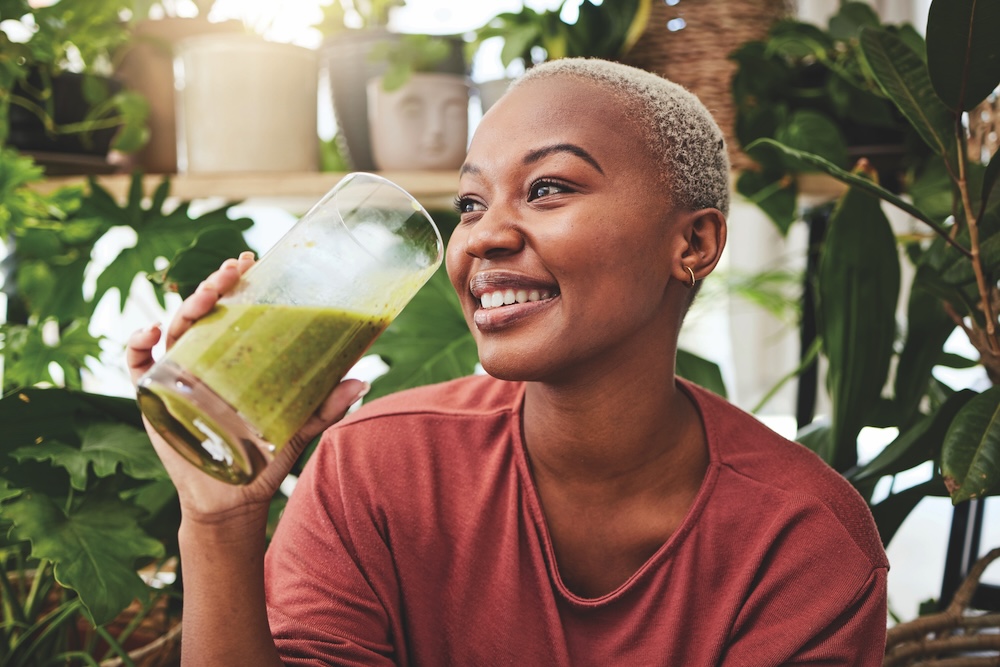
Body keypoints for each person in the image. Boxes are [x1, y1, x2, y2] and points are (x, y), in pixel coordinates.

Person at [127, 58, 888, 666]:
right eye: (468, 203)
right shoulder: (376, 468)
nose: (485, 236)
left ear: (693, 244)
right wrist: (217, 519)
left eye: (548, 187)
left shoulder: (803, 541)